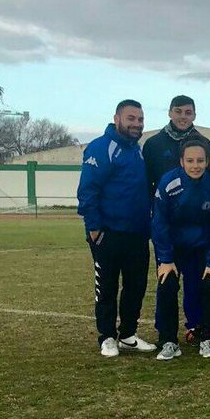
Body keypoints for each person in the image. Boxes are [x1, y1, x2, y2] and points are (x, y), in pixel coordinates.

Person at [77, 99, 156, 357]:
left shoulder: (137, 150)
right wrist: (94, 228)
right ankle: (107, 336)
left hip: (137, 233)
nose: (137, 124)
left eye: (140, 119)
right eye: (131, 118)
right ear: (117, 119)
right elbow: (87, 190)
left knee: (136, 286)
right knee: (107, 286)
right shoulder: (101, 147)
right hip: (108, 233)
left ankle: (128, 335)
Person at [151, 139, 210, 360]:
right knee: (167, 286)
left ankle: (207, 339)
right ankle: (168, 341)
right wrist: (166, 258)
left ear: (207, 161)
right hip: (174, 249)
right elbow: (159, 221)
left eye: (200, 161)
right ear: (181, 162)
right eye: (190, 161)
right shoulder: (169, 182)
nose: (196, 165)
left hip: (203, 248)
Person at [142, 95, 210, 195]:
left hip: (196, 202)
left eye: (188, 113)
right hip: (163, 202)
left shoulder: (204, 144)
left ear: (194, 116)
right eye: (178, 111)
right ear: (170, 113)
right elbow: (146, 182)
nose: (183, 116)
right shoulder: (153, 144)